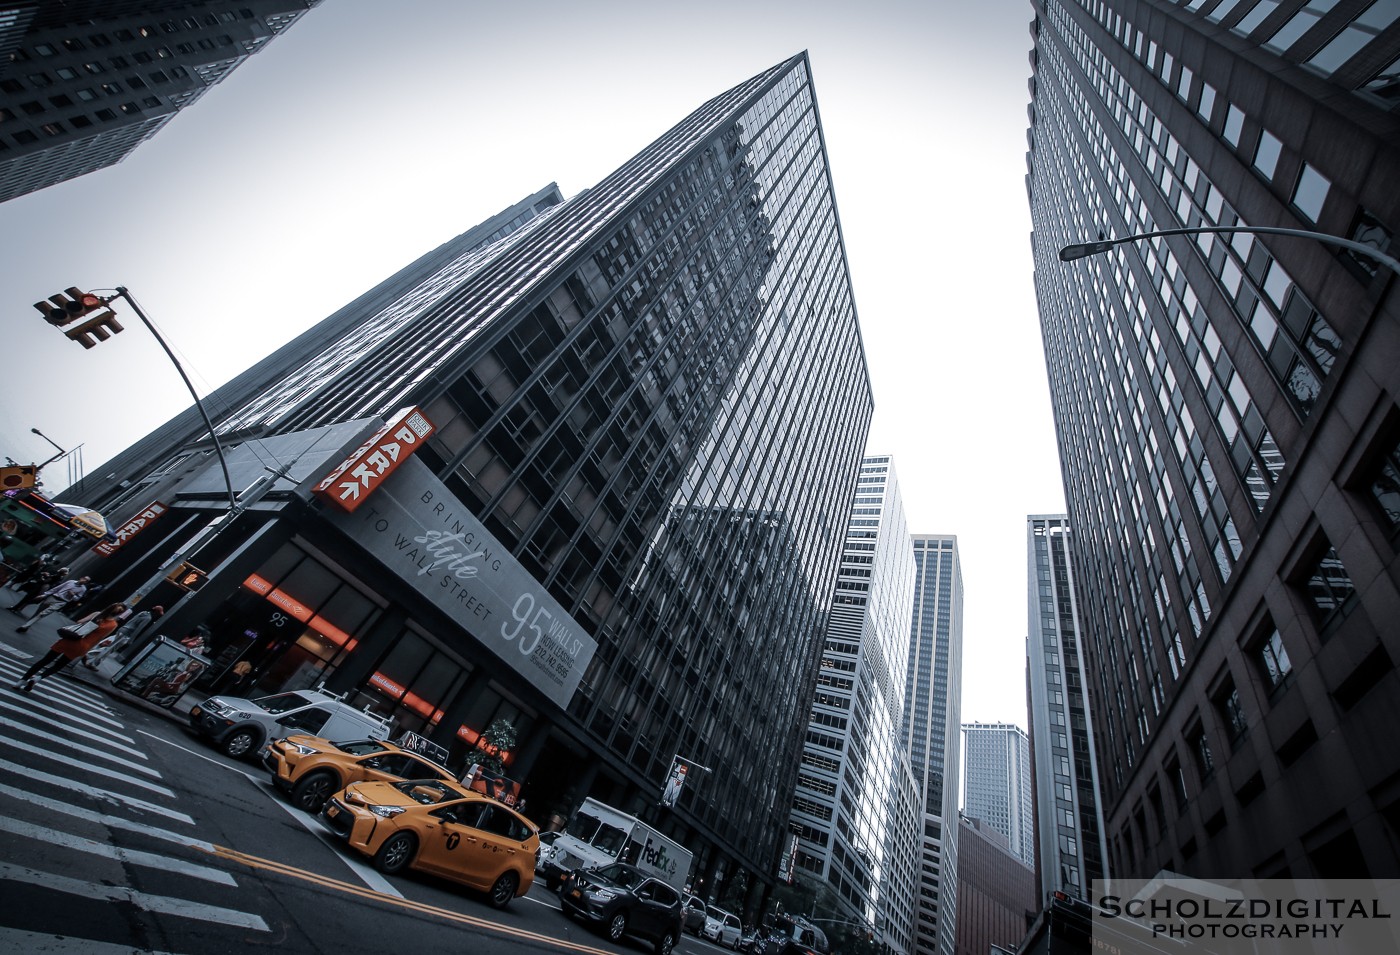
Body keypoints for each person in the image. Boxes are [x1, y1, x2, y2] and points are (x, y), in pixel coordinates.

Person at [15, 603, 127, 692]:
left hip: (71, 639)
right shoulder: (113, 625)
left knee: (45, 660)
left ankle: (21, 681)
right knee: (58, 666)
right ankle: (37, 679)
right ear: (119, 614)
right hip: (82, 646)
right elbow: (100, 638)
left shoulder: (97, 614)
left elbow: (80, 622)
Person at [83, 604, 164, 669]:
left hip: (123, 630)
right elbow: (138, 629)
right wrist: (131, 639)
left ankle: (92, 659)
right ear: (156, 612)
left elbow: (131, 621)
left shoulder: (143, 613)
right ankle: (91, 658)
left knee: (109, 646)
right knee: (110, 649)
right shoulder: (148, 618)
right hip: (127, 634)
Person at [15, 575, 91, 631]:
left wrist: (73, 595)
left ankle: (25, 626)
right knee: (38, 612)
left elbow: (77, 599)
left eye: (86, 581)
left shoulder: (83, 589)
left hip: (62, 601)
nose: (84, 580)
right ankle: (28, 625)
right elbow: (57, 588)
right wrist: (45, 594)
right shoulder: (70, 581)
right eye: (84, 578)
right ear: (81, 578)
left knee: (43, 613)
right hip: (53, 597)